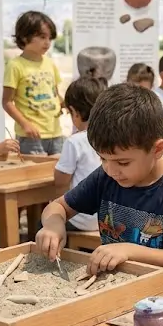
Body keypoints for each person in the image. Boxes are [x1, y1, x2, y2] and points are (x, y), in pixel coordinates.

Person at [35, 83, 163, 288]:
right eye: (102, 159)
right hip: (118, 285)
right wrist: (54, 226)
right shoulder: (106, 177)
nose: (111, 169)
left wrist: (128, 251)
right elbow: (58, 207)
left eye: (123, 163)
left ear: (157, 149)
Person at [3, 11, 64, 156]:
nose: (47, 42)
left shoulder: (50, 64)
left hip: (56, 133)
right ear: (25, 36)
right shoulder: (15, 65)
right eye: (42, 37)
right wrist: (25, 124)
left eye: (50, 38)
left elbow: (55, 94)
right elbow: (7, 101)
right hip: (31, 136)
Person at [54, 75, 108, 234]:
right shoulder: (112, 137)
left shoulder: (75, 142)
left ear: (74, 112)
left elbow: (60, 182)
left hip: (83, 219)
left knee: (44, 224)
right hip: (107, 218)